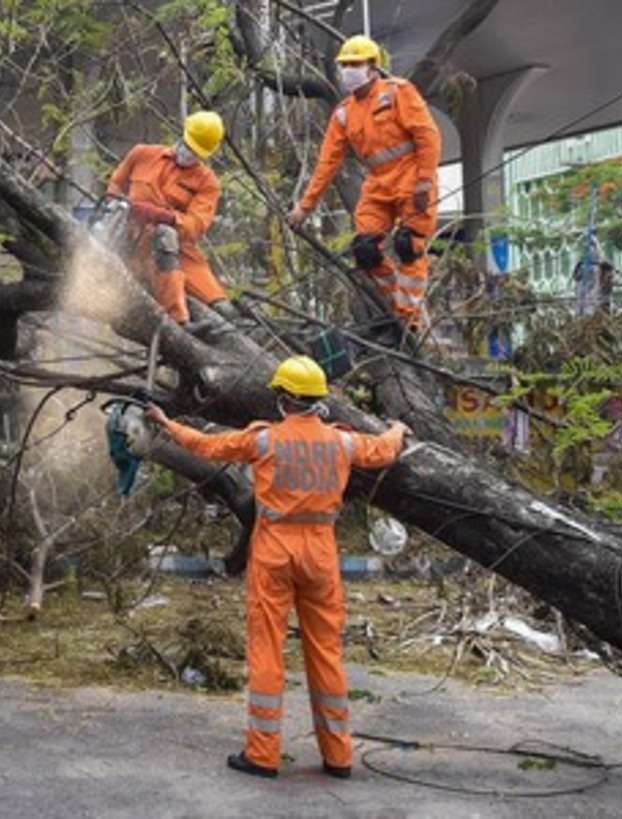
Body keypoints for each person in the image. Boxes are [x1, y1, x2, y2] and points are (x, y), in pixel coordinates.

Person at [145, 355, 409, 779]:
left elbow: (207, 446)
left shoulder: (264, 440)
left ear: (285, 399)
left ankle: (263, 755)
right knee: (326, 652)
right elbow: (382, 451)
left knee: (267, 649)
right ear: (318, 401)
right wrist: (397, 429)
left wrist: (165, 421)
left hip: (275, 549)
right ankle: (338, 757)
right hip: (321, 552)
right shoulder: (342, 442)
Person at [288, 35, 442, 336]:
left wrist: (424, 182)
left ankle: (409, 321)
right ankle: (391, 310)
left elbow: (428, 136)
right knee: (365, 250)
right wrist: (304, 208)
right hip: (379, 185)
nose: (348, 70)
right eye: (345, 65)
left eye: (355, 64)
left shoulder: (398, 93)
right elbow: (326, 164)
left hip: (412, 179)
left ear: (373, 67)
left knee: (408, 246)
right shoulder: (344, 113)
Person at [107, 110, 237, 326]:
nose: (189, 155)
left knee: (221, 308)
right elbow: (115, 185)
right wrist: (117, 204)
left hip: (176, 248)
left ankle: (185, 319)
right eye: (188, 147)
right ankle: (178, 319)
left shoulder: (207, 182)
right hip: (131, 239)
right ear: (182, 136)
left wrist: (161, 216)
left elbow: (196, 226)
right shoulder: (142, 154)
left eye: (197, 153)